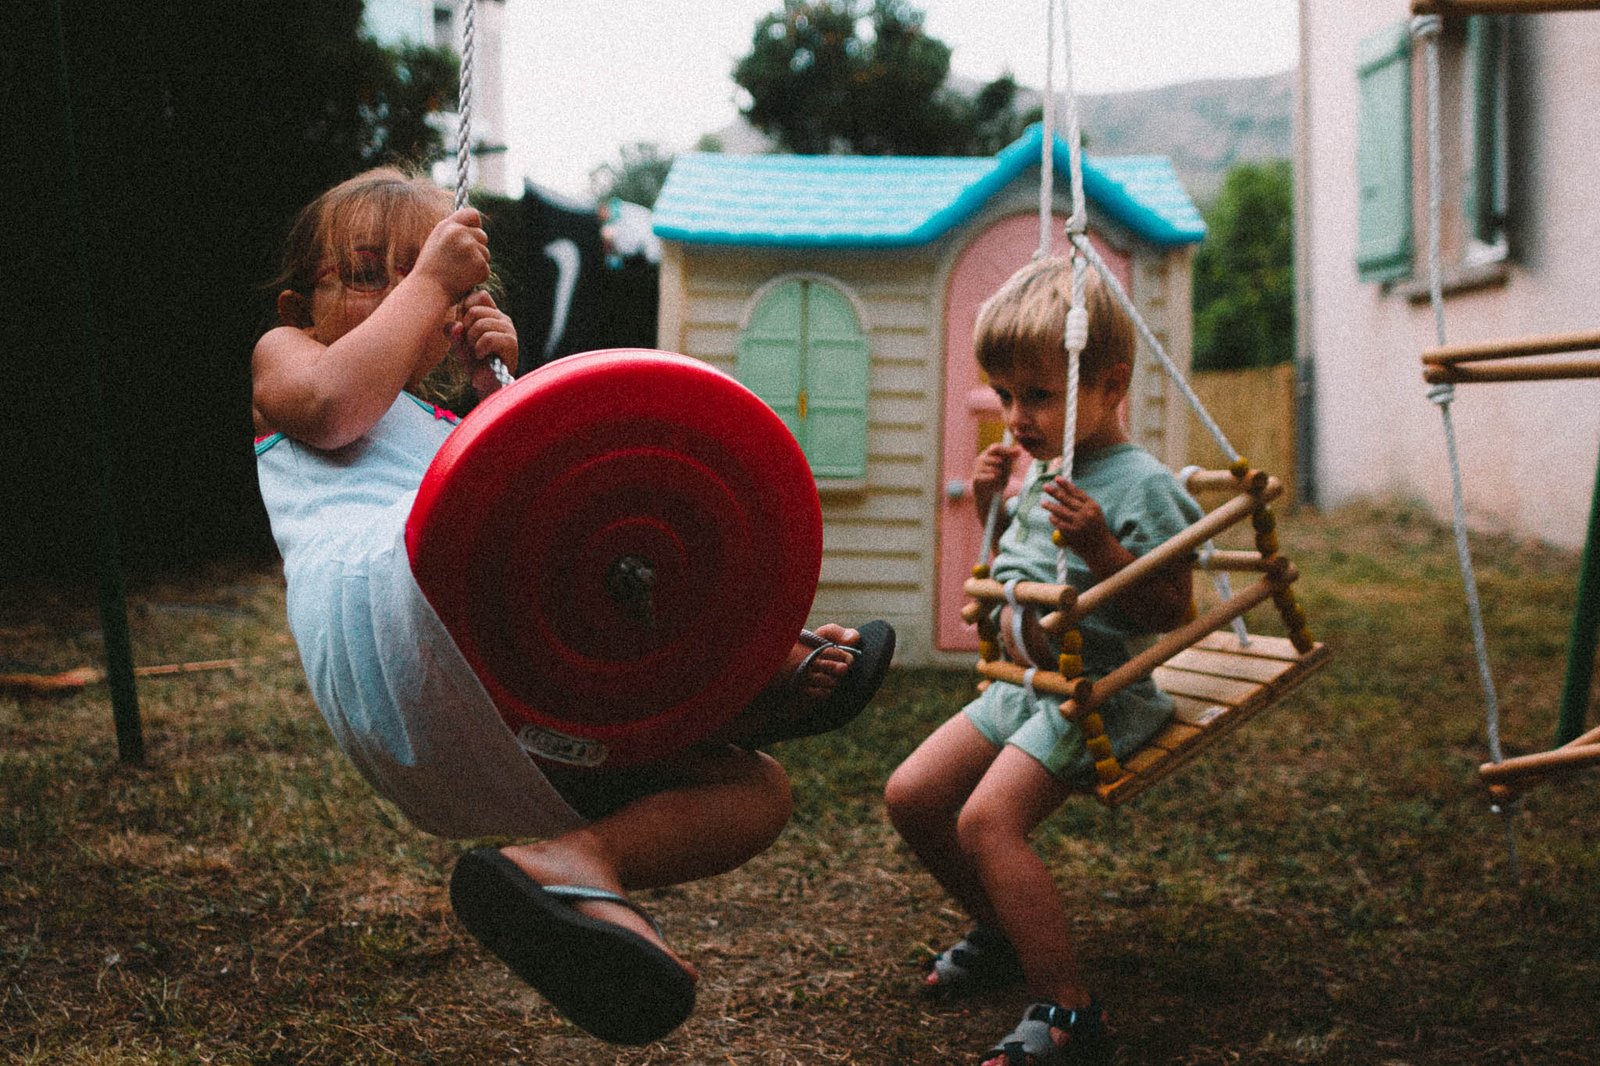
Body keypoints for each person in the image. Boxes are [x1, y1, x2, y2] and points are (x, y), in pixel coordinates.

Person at [252, 167, 894, 1046]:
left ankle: (582, 866)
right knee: (558, 520)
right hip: (395, 636)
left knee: (755, 793)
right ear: (300, 304)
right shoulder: (287, 357)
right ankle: (743, 675)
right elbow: (333, 408)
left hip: (490, 720)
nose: (407, 293)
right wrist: (438, 282)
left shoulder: (442, 426)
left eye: (425, 274)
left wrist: (496, 397)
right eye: (373, 274)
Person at [883, 257, 1201, 1066]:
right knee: (914, 795)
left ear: (1112, 384)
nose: (1017, 417)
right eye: (1006, 394)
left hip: (1092, 697)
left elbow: (1172, 613)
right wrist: (996, 506)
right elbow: (1014, 565)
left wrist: (1099, 543)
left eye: (1039, 396)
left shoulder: (1141, 486)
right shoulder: (1044, 469)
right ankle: (999, 931)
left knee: (987, 823)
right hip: (1025, 685)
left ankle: (1070, 1007)